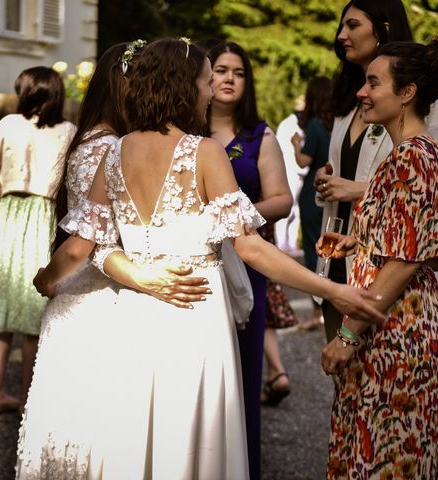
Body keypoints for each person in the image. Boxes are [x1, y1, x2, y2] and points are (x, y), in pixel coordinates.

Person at [30, 38, 384, 479]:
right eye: (205, 81)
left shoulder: (116, 151)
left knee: (147, 431)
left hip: (138, 310)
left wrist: (46, 279)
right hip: (196, 311)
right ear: (183, 87)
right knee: (196, 439)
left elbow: (82, 246)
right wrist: (332, 288)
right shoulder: (203, 151)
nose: (211, 91)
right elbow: (251, 246)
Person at [16, 40, 212, 477]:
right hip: (95, 301)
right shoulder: (107, 147)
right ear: (124, 86)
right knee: (92, 437)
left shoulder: (99, 141)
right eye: (141, 80)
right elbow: (90, 243)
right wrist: (51, 279)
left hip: (97, 290)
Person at [320, 39, 438, 479]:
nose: (360, 92)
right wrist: (357, 242)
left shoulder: (412, 157)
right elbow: (412, 243)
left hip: (396, 332)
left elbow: (405, 263)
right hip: (390, 324)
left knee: (386, 459)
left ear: (406, 93)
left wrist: (346, 337)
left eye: (373, 82)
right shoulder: (408, 155)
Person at [207, 40, 292, 476]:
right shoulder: (185, 131)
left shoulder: (260, 136)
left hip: (245, 260)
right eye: (220, 70)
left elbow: (283, 199)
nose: (228, 79)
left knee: (241, 366)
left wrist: (237, 217)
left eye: (237, 73)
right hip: (196, 263)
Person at [0, 66, 76, 415]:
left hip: (9, 215)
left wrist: (1, 193)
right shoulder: (68, 131)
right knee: (34, 311)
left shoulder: (8, 125)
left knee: (3, 309)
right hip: (45, 217)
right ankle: (27, 399)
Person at [313, 0, 416, 342]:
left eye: (353, 25)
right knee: (342, 377)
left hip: (386, 266)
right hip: (338, 255)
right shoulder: (348, 101)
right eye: (341, 27)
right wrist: (327, 183)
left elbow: (425, 185)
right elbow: (342, 170)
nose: (341, 35)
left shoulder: (419, 103)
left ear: (384, 29)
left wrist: (356, 189)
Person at [291, 76, 333, 330]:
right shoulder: (338, 123)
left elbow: (304, 161)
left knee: (313, 250)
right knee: (330, 249)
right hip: (334, 192)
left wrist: (297, 145)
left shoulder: (316, 125)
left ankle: (318, 310)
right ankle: (330, 305)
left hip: (313, 193)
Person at [274, 94, 307, 253]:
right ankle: (282, 243)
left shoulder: (302, 126)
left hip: (300, 173)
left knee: (297, 210)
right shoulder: (287, 125)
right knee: (288, 207)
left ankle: (292, 243)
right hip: (289, 171)